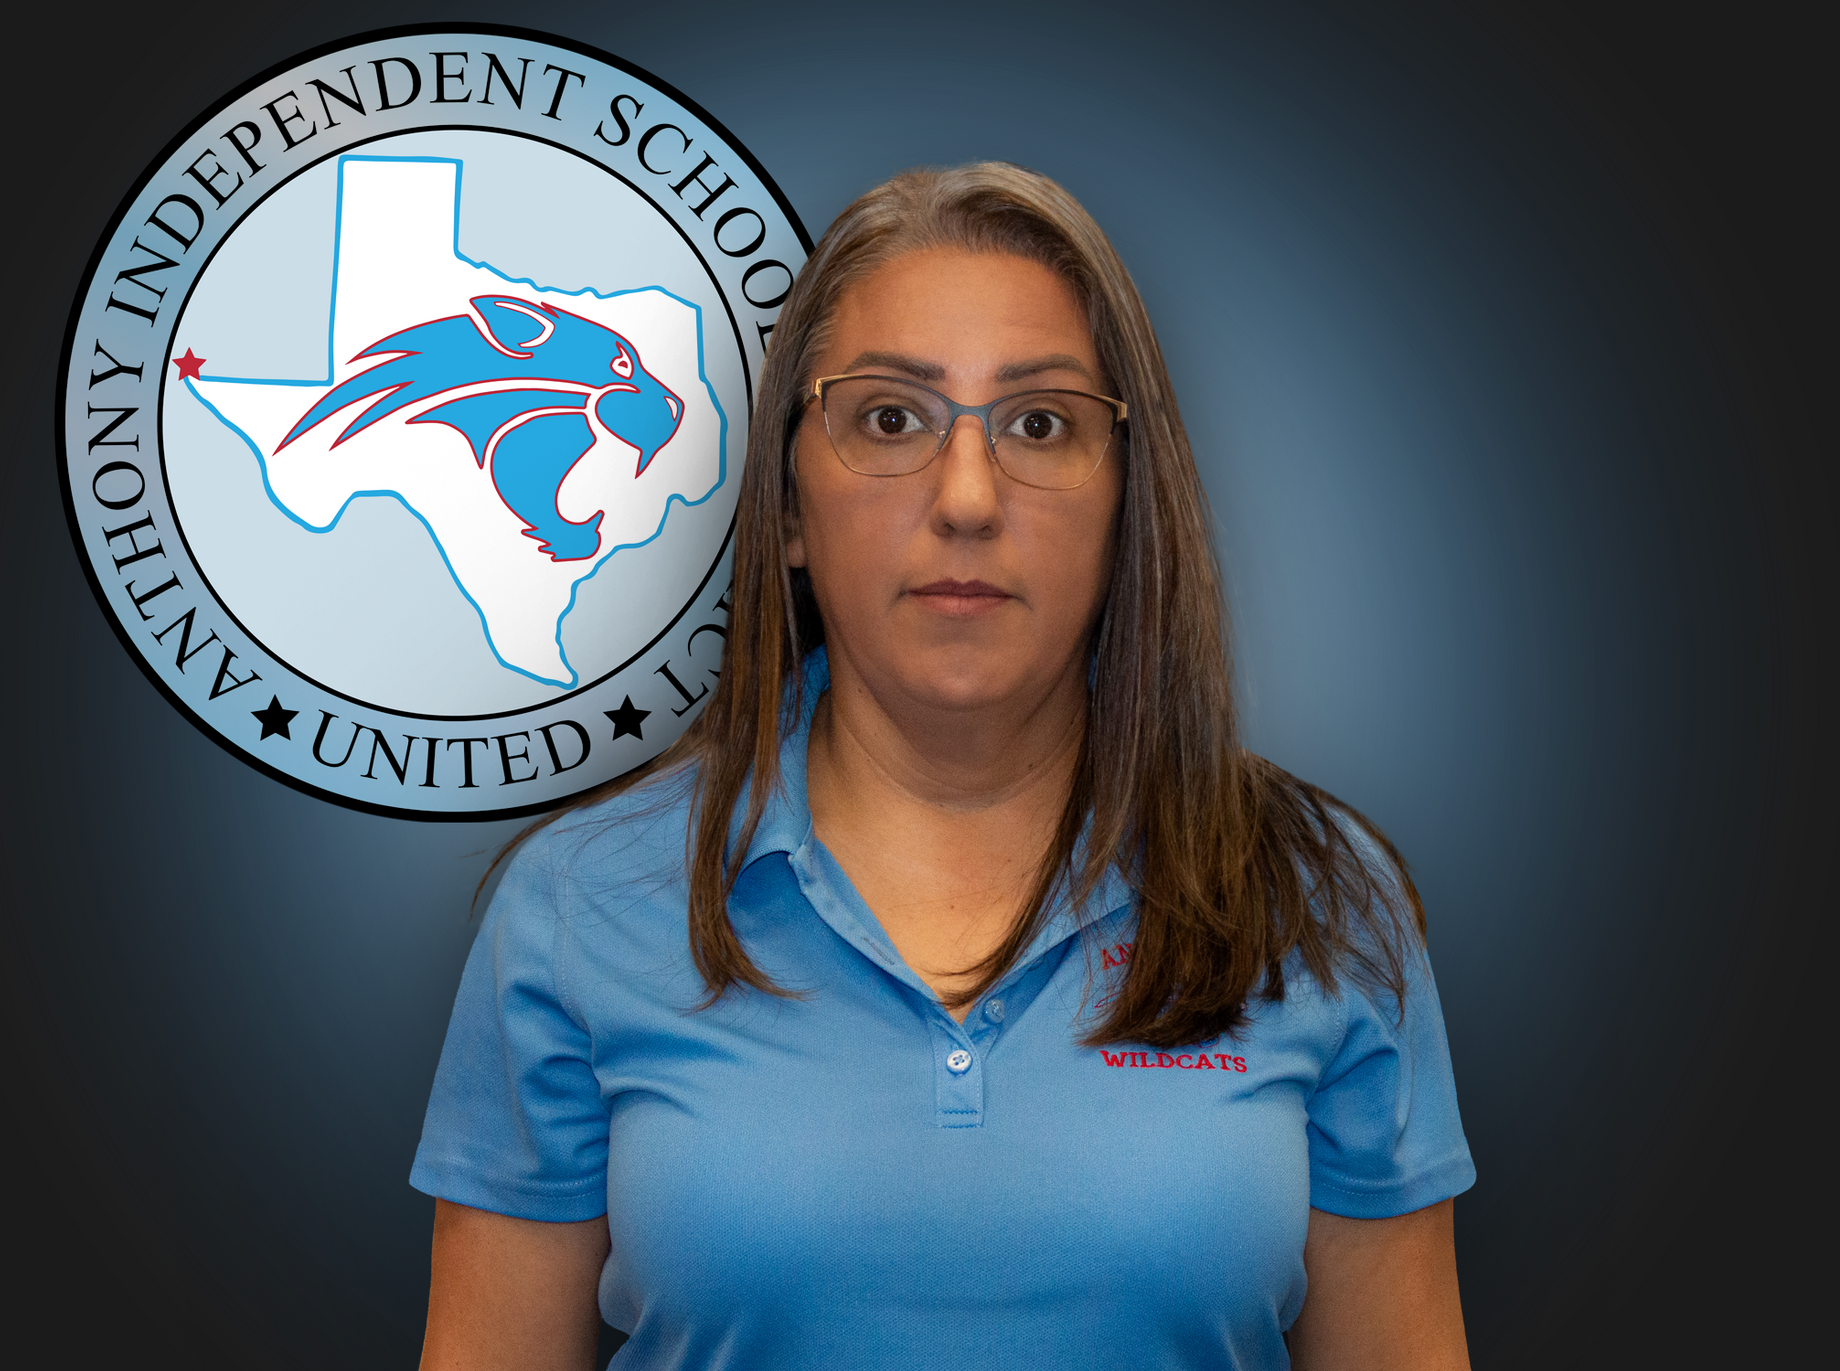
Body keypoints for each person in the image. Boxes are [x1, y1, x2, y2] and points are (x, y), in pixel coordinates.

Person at [411, 162, 1475, 1370]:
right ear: (791, 507)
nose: (967, 497)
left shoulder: (1318, 901)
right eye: (888, 419)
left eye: (1039, 424)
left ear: (1130, 499)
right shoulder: (579, 905)